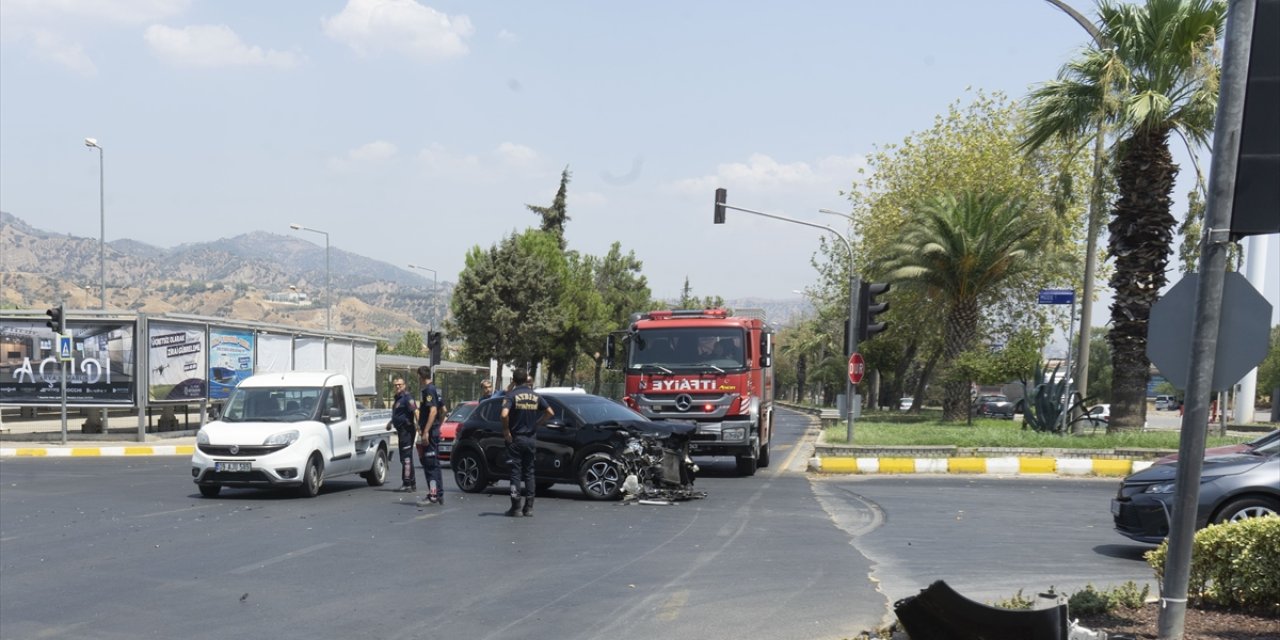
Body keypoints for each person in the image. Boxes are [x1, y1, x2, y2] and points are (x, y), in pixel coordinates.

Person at [500, 368, 553, 517]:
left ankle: (516, 507)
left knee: (515, 473)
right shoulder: (535, 396)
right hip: (530, 438)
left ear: (514, 380)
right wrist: (538, 423)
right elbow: (550, 412)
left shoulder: (512, 395)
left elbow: (504, 414)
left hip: (516, 439)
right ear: (526, 380)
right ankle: (529, 507)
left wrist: (506, 431)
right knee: (529, 472)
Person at [416, 365, 445, 505]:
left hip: (430, 432)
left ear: (421, 377)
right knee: (435, 463)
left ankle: (433, 495)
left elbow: (433, 411)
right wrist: (439, 425)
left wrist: (426, 430)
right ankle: (438, 494)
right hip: (434, 431)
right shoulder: (436, 390)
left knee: (430, 464)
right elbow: (444, 410)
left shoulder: (428, 390)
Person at [389, 377, 418, 492]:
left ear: (404, 385)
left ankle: (407, 483)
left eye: (399, 384)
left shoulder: (407, 398)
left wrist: (420, 428)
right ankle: (412, 483)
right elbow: (399, 414)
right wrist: (390, 422)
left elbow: (416, 411)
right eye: (395, 385)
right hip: (401, 431)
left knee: (406, 458)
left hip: (407, 431)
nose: (397, 386)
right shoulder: (398, 399)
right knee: (406, 457)